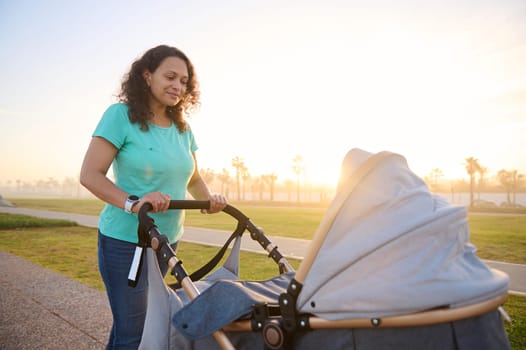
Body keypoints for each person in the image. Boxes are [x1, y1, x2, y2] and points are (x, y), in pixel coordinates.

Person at [80, 44, 227, 349]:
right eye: (170, 77)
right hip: (125, 243)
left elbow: (194, 177)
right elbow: (90, 175)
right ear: (147, 76)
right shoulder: (119, 116)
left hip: (166, 242)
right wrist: (135, 203)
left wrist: (209, 200)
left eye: (184, 81)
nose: (178, 86)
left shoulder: (183, 129)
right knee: (136, 332)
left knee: (133, 326)